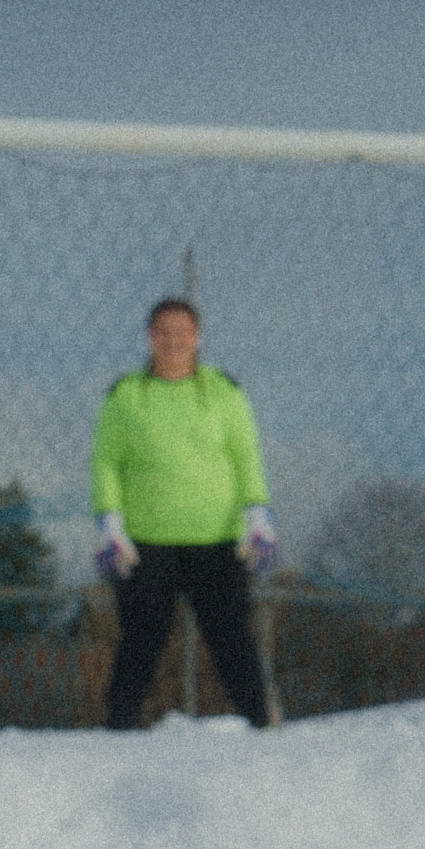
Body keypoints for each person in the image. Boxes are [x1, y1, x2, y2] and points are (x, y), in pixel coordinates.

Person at [92, 297, 281, 729]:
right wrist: (110, 523)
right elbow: (105, 463)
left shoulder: (226, 393)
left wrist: (259, 513)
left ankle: (265, 734)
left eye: (183, 332)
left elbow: (246, 457)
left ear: (197, 337)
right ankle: (115, 738)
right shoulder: (124, 397)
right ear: (149, 337)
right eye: (164, 332)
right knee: (140, 643)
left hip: (217, 543)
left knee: (233, 643)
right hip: (145, 545)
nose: (173, 341)